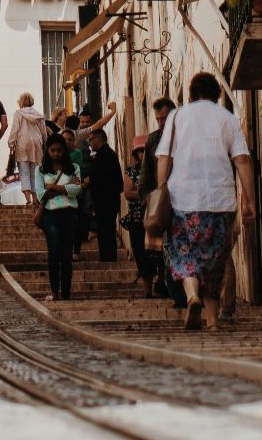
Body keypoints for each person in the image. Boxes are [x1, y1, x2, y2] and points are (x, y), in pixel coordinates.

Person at [152, 74, 256, 330]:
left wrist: (160, 189)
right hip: (220, 202)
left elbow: (164, 158)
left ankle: (192, 296)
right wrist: (250, 200)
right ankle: (212, 321)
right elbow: (242, 160)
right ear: (217, 95)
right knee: (214, 262)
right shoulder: (228, 118)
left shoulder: (177, 117)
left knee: (183, 254)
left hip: (182, 200)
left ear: (190, 94)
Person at [126, 98, 177, 297]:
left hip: (184, 198)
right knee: (160, 247)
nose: (162, 122)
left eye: (165, 118)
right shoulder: (153, 140)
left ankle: (177, 290)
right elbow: (145, 175)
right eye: (158, 119)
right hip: (161, 202)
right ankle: (167, 286)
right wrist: (149, 198)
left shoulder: (185, 135)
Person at [36, 134, 85, 302]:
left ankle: (65, 292)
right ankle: (54, 291)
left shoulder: (74, 168)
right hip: (50, 214)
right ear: (47, 151)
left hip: (69, 213)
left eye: (59, 150)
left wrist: (53, 187)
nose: (56, 154)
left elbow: (76, 190)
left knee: (66, 254)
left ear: (64, 151)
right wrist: (65, 187)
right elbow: (40, 194)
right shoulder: (40, 170)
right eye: (53, 150)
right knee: (54, 250)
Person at [83, 128, 125, 263]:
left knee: (106, 231)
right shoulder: (106, 154)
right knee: (106, 231)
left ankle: (108, 258)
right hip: (107, 201)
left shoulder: (104, 155)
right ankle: (108, 257)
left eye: (91, 139)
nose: (89, 143)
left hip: (105, 201)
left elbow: (106, 178)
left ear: (98, 139)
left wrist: (90, 180)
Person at [5, 92, 51, 204]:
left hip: (23, 144)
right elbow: (44, 132)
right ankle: (35, 199)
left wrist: (11, 143)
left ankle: (28, 200)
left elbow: (15, 130)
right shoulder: (39, 115)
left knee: (24, 172)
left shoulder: (18, 114)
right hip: (36, 144)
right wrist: (46, 144)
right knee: (35, 172)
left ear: (21, 102)